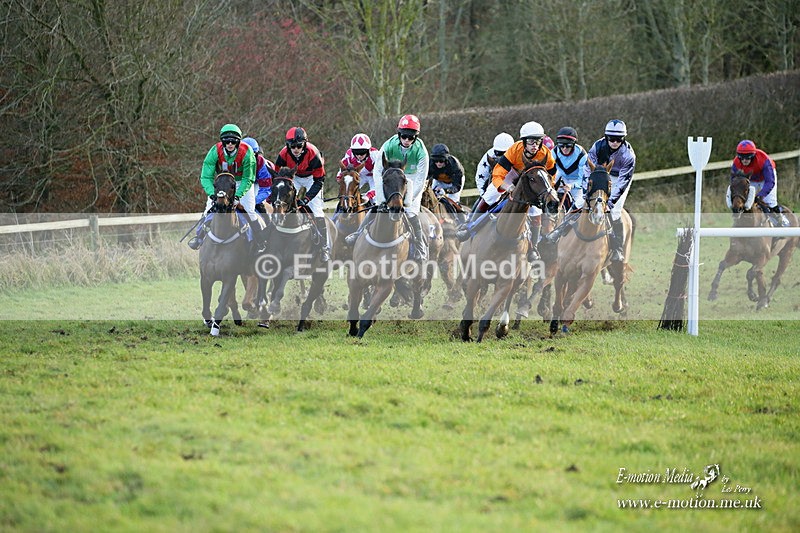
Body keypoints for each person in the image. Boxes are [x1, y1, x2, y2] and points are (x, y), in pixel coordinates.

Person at [456, 121, 556, 262]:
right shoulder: (514, 150)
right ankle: (469, 225)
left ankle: (533, 248)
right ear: (524, 141)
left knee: (535, 211)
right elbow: (498, 174)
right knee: (490, 195)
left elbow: (551, 173)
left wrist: (548, 189)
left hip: (531, 181)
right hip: (512, 175)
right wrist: (507, 187)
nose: (535, 146)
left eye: (538, 142)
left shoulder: (545, 153)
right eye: (532, 142)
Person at [345, 114, 430, 263]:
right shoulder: (388, 145)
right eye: (404, 136)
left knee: (411, 212)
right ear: (399, 134)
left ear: (416, 137)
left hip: (414, 178)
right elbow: (378, 171)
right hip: (394, 176)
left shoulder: (422, 152)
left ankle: (420, 247)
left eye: (411, 138)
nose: (407, 141)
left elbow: (421, 179)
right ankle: (358, 233)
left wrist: (409, 199)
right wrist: (381, 196)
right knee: (378, 206)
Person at [188, 124, 267, 253]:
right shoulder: (214, 151)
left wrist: (238, 196)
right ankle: (199, 237)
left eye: (233, 141)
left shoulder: (247, 153)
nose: (230, 144)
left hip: (242, 183)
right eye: (226, 141)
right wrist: (211, 194)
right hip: (223, 182)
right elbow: (205, 176)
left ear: (238, 141)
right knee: (209, 209)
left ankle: (260, 240)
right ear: (222, 141)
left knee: (250, 211)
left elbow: (249, 178)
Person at [273, 126, 331, 262]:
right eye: (292, 146)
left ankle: (325, 247)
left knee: (317, 210)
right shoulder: (282, 155)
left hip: (313, 179)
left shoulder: (313, 153)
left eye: (299, 146)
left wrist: (306, 198)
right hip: (294, 177)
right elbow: (276, 176)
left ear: (304, 144)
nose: (296, 149)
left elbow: (319, 181)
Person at [584, 119, 636, 263]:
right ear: (606, 137)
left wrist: (610, 203)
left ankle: (617, 248)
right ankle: (560, 232)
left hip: (620, 179)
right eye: (611, 139)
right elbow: (588, 169)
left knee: (614, 212)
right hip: (600, 175)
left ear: (623, 138)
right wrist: (586, 191)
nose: (614, 142)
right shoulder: (597, 146)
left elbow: (622, 184)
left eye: (619, 139)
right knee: (580, 203)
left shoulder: (629, 156)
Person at [541, 127, 590, 243]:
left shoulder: (582, 155)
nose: (564, 149)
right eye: (561, 145)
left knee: (579, 204)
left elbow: (583, 178)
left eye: (568, 146)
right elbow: (550, 172)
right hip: (560, 178)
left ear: (573, 144)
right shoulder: (554, 152)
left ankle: (566, 229)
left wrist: (571, 186)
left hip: (576, 183)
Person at [731, 139, 788, 226]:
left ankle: (781, 222)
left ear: (753, 156)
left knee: (769, 201)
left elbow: (770, 182)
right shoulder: (736, 163)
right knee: (746, 202)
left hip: (766, 179)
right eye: (742, 157)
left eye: (748, 157)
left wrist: (761, 194)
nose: (745, 160)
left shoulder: (763, 159)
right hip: (752, 179)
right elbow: (734, 182)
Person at [335, 133, 379, 207]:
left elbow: (380, 178)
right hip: (359, 176)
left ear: (368, 150)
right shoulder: (349, 155)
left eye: (362, 153)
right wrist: (340, 179)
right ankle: (337, 214)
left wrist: (369, 196)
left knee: (375, 199)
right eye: (356, 153)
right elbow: (341, 171)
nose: (359, 156)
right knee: (347, 194)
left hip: (374, 176)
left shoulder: (375, 155)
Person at [242, 136, 276, 213]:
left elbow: (266, 189)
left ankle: (267, 220)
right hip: (243, 182)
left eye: (251, 155)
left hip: (259, 184)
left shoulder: (262, 165)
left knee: (257, 204)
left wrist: (254, 202)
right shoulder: (234, 160)